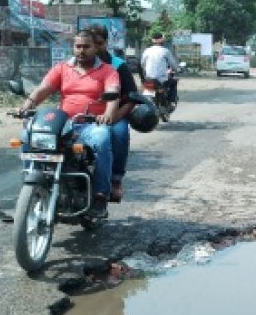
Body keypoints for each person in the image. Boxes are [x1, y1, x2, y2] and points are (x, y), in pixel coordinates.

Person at [20, 30, 121, 218]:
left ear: (95, 48)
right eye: (78, 46)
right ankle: (32, 184)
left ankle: (100, 195)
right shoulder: (62, 68)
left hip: (90, 125)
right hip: (63, 123)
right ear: (73, 47)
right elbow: (43, 89)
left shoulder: (108, 71)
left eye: (86, 47)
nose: (82, 51)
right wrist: (28, 104)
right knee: (27, 135)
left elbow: (113, 94)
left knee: (102, 137)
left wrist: (107, 114)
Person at [87, 23, 138, 203]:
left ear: (106, 43)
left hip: (113, 115)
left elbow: (132, 98)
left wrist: (113, 117)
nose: (94, 48)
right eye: (88, 44)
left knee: (119, 133)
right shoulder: (73, 65)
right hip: (83, 115)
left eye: (98, 43)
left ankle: (115, 180)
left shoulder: (117, 66)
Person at [140, 31, 179, 108]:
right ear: (162, 40)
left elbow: (142, 64)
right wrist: (176, 70)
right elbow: (173, 65)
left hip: (149, 79)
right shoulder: (165, 51)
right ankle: (171, 102)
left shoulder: (147, 51)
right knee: (174, 81)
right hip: (161, 79)